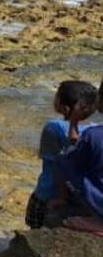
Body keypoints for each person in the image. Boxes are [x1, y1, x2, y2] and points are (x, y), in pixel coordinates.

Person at [26, 80, 98, 229]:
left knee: (36, 228)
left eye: (56, 97)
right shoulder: (96, 131)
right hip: (80, 198)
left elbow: (54, 163)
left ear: (65, 108)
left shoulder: (54, 128)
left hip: (48, 192)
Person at [53, 76, 103, 237]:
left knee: (63, 158)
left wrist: (73, 122)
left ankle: (99, 221)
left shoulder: (93, 135)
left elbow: (72, 160)